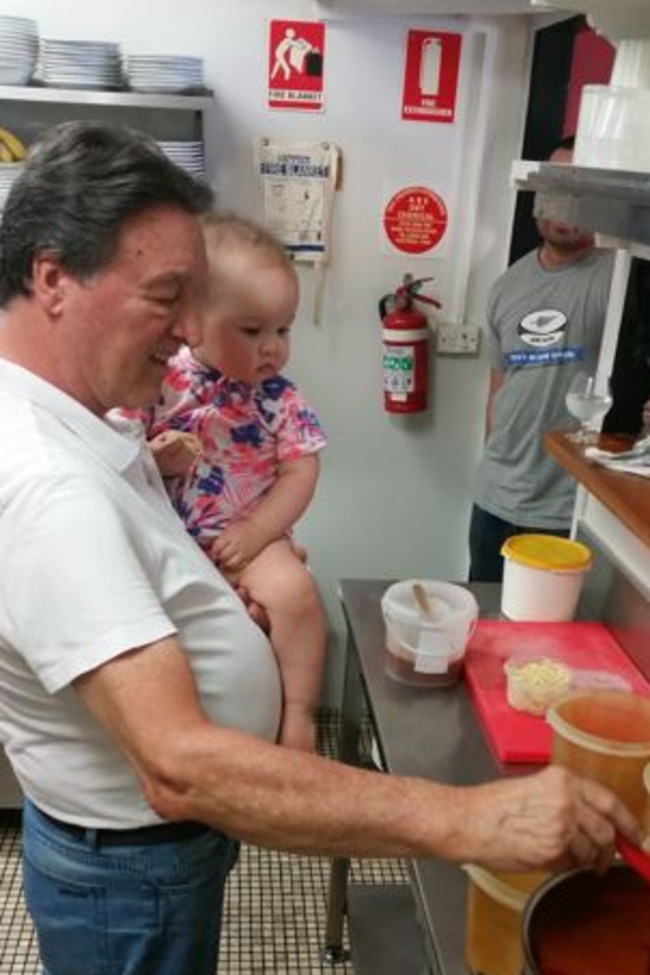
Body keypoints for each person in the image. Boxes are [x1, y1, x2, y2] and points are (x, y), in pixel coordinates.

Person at [0, 121, 638, 975]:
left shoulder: (81, 421)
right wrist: (474, 816)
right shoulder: (45, 482)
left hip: (148, 857)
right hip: (130, 872)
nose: (191, 332)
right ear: (53, 278)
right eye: (166, 295)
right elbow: (180, 763)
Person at [139, 211, 327, 754]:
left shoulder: (281, 398)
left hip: (248, 540)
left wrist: (259, 528)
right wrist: (156, 457)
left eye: (283, 329)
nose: (272, 347)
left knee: (295, 594)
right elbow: (122, 449)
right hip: (168, 539)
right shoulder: (162, 380)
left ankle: (299, 715)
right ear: (194, 318)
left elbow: (301, 469)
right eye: (252, 330)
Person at [469, 136, 615, 582]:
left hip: (567, 507)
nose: (565, 206)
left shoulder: (620, 276)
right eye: (556, 189)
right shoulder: (506, 286)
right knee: (486, 626)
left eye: (580, 192)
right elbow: (500, 388)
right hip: (495, 498)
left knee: (552, 643)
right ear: (537, 196)